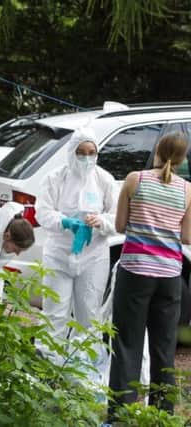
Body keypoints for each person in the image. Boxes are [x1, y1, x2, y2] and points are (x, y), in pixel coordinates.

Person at [108, 132, 191, 420]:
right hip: (169, 276)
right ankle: (162, 416)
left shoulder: (135, 179)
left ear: (157, 149)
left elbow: (119, 225)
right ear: (183, 158)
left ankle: (119, 417)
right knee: (164, 346)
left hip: (135, 272)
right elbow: (187, 236)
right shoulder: (187, 190)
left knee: (127, 344)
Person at [35, 127, 117, 372]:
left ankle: (84, 371)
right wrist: (65, 222)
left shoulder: (105, 179)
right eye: (81, 153)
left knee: (89, 314)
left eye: (92, 153)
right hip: (59, 253)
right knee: (55, 312)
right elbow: (43, 212)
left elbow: (116, 217)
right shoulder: (55, 178)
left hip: (94, 256)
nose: (87, 158)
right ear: (71, 152)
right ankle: (48, 367)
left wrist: (101, 222)